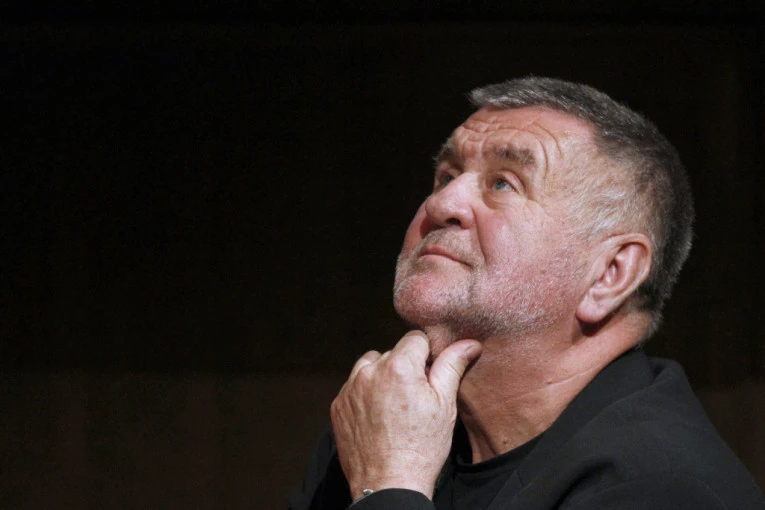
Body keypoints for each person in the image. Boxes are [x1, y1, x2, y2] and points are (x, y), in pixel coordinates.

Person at [288, 77, 765, 509]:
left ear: (610, 274)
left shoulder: (663, 486)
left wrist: (389, 489)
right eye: (447, 176)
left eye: (503, 183)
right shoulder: (388, 421)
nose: (441, 204)